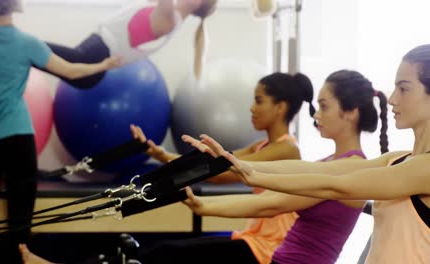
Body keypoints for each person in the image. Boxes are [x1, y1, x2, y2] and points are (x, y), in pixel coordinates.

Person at [19, 71, 314, 264]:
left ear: (281, 107)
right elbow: (214, 170)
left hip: (272, 250)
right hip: (253, 241)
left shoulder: (287, 149)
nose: (251, 107)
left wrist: (191, 163)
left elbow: (220, 171)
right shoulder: (261, 147)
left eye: (258, 101)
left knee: (165, 255)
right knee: (160, 253)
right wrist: (157, 153)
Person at [184, 45, 430, 263]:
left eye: (404, 89)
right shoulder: (396, 159)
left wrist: (251, 175)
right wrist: (236, 164)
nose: (392, 98)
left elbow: (336, 186)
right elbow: (314, 170)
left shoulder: (425, 168)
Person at [0, 0, 120, 263]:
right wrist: (103, 65)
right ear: (16, 6)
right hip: (18, 139)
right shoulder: (27, 42)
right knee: (20, 224)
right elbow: (71, 70)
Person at [39, 0, 217, 88]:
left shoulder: (169, 17)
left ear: (198, 3)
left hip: (91, 59)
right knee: (29, 50)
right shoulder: (166, 12)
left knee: (28, 47)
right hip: (91, 54)